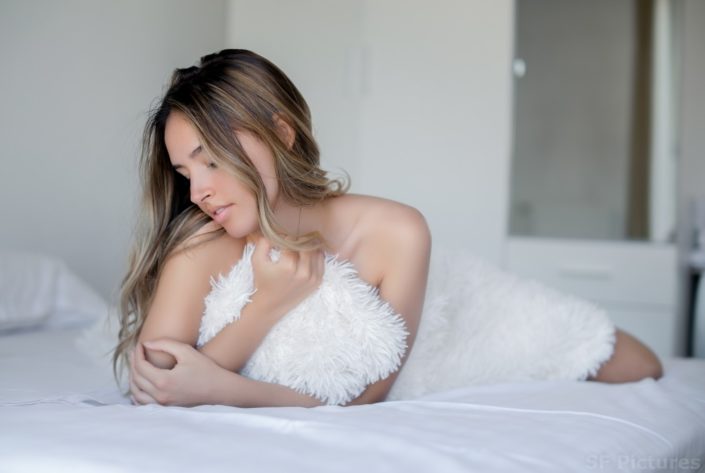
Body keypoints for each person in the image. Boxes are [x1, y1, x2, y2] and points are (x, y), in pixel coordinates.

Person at [115, 49, 663, 408]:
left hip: (453, 320)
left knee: (639, 365)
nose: (197, 191)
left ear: (280, 134)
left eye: (210, 160)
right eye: (184, 172)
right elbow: (157, 384)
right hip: (415, 349)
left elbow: (370, 398)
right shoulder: (201, 242)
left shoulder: (398, 232)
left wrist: (223, 388)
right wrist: (266, 305)